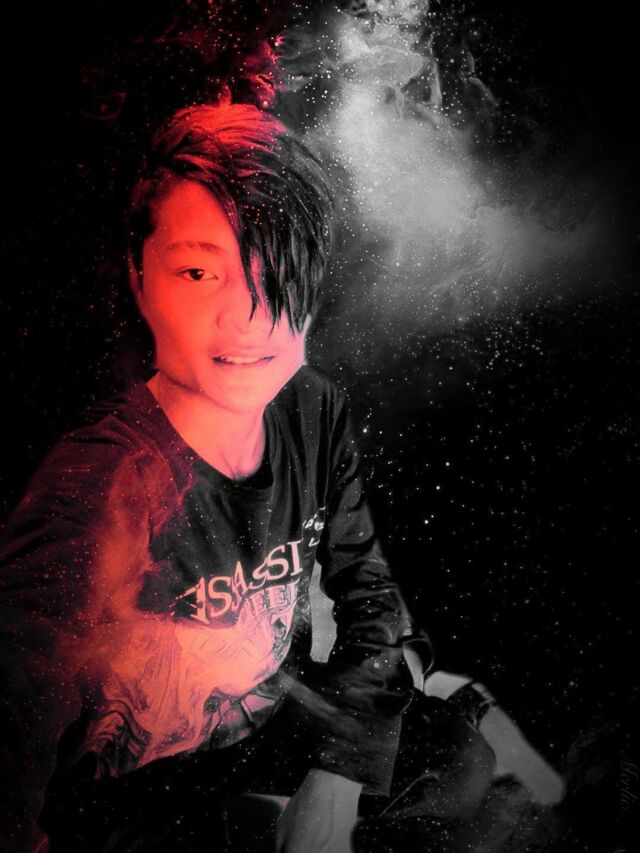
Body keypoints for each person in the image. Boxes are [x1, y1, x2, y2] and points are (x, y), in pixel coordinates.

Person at [0, 102, 415, 852]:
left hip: (264, 737)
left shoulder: (314, 408)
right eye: (198, 271)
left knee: (456, 760)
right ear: (139, 277)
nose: (247, 316)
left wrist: (336, 775)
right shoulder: (91, 495)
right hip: (128, 808)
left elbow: (373, 596)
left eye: (274, 271)